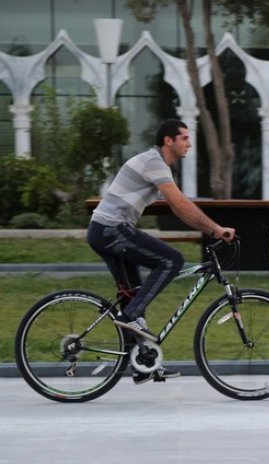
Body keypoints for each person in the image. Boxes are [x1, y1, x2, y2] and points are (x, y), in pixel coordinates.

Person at [88, 119, 236, 384]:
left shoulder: (157, 165)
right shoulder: (153, 161)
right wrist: (215, 230)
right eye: (184, 138)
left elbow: (179, 208)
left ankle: (142, 364)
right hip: (111, 230)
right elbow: (180, 204)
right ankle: (130, 316)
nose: (189, 144)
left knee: (132, 294)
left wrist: (209, 228)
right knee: (172, 260)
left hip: (105, 230)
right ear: (169, 140)